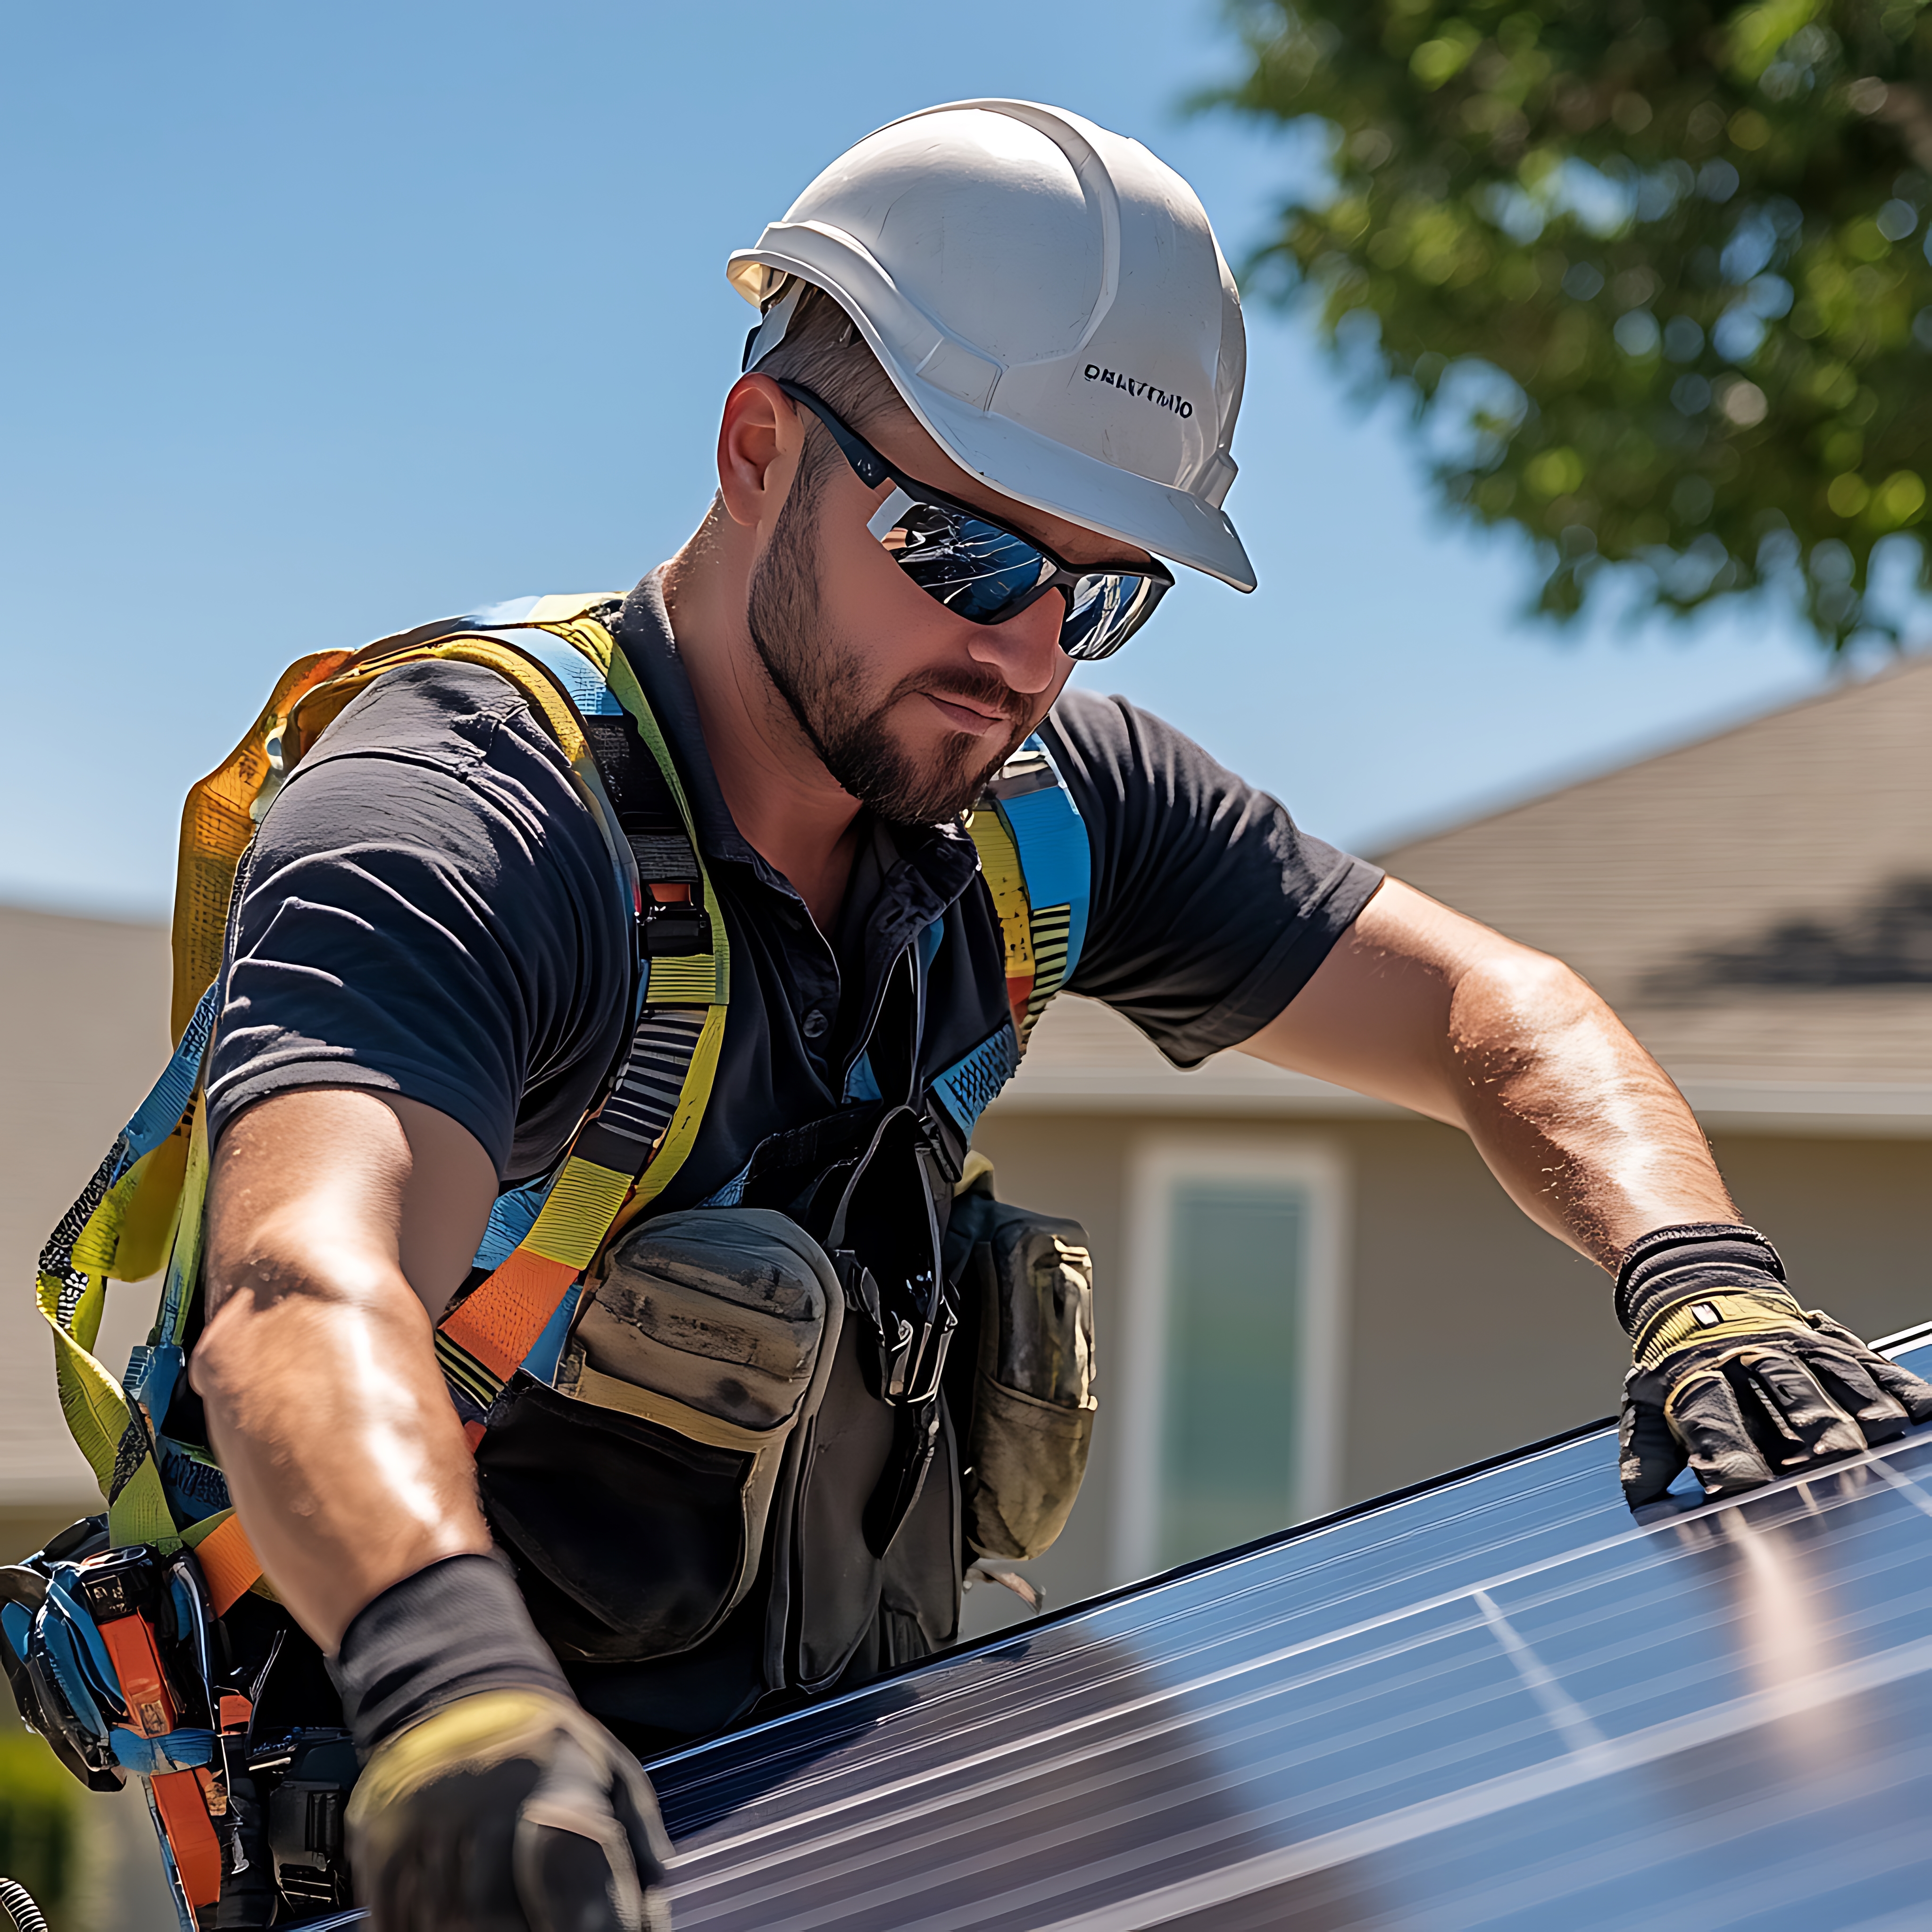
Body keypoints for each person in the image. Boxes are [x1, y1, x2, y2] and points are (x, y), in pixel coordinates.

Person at [95, 100, 1932, 1929]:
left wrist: (1696, 1269)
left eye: (1106, 596)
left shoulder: (1041, 801)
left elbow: (1490, 1011)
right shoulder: (473, 812)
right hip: (464, 1850)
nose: (1029, 654)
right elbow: (299, 1293)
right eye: (966, 556)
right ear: (756, 452)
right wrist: (448, 1689)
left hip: (849, 1808)